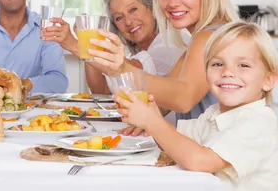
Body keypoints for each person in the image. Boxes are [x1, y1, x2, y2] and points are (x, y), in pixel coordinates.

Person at [42, 0, 239, 131]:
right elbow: (164, 104)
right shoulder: (207, 37)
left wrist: (118, 68)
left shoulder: (208, 37)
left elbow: (183, 98)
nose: (172, 3)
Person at [116, 22, 278, 191]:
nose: (227, 72)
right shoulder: (214, 113)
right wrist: (152, 114)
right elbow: (176, 141)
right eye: (217, 64)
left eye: (243, 65)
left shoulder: (259, 122)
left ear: (268, 80)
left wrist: (152, 122)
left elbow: (199, 160)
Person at [76, 0, 188, 94]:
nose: (128, 22)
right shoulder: (132, 56)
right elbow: (101, 91)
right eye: (119, 18)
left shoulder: (173, 39)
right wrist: (88, 39)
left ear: (151, 8)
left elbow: (139, 70)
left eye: (133, 10)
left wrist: (88, 47)